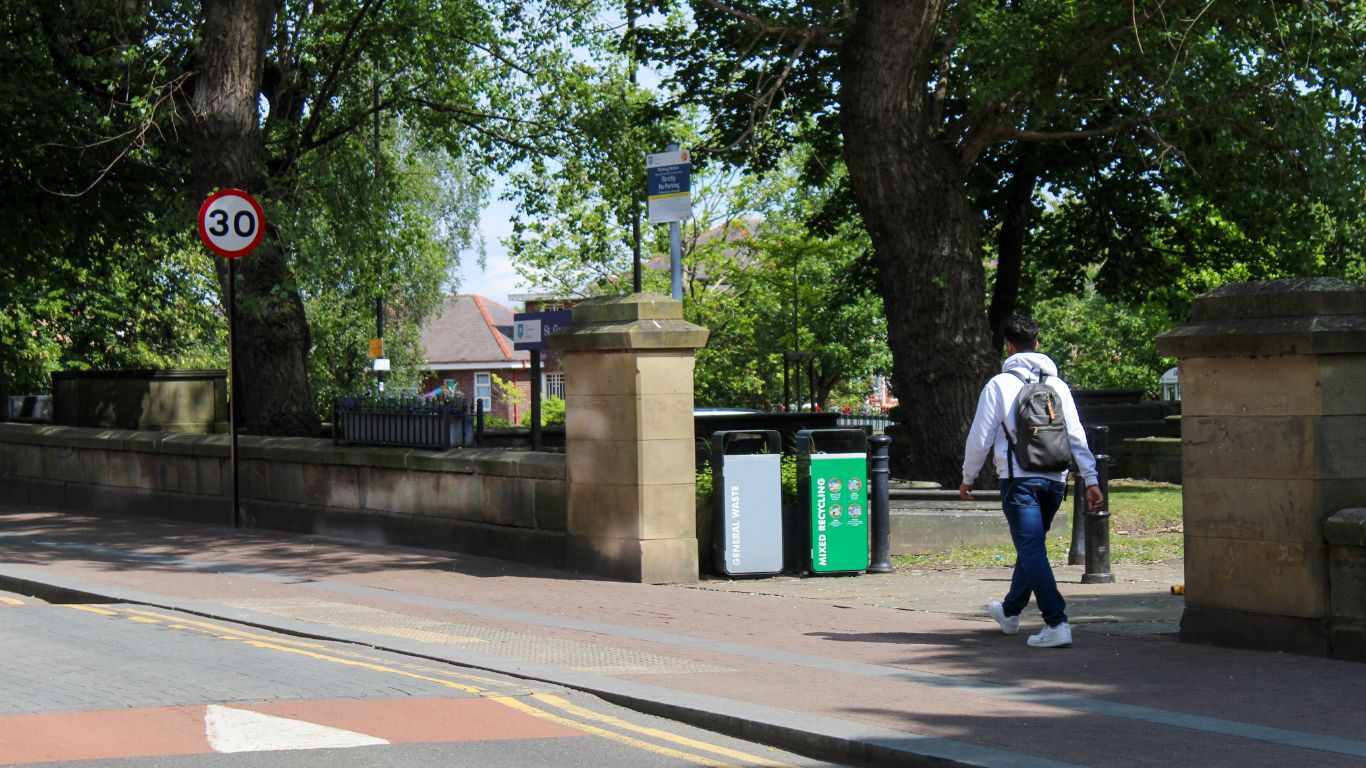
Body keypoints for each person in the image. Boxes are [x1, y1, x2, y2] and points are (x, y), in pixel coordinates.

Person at [959, 315, 1104, 648]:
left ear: (1008, 346)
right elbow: (1076, 434)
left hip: (1019, 480)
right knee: (1032, 547)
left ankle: (1057, 622)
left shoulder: (999, 384)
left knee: (1031, 548)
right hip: (1056, 480)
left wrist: (968, 477)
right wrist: (1091, 478)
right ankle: (1010, 612)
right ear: (1037, 344)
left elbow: (979, 438)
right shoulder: (1058, 386)